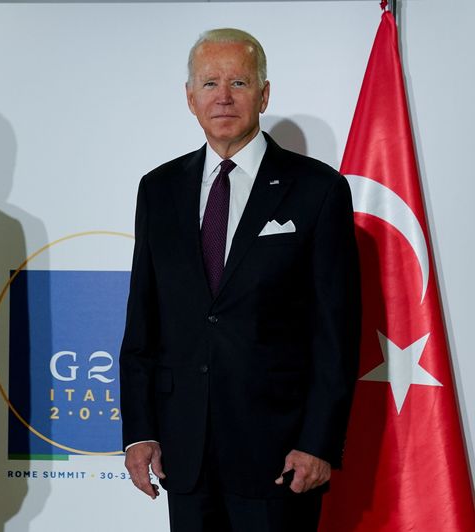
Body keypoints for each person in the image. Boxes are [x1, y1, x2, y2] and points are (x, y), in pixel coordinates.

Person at [119, 28, 361, 531]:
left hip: (279, 457)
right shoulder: (158, 189)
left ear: (264, 94)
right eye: (209, 83)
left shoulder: (318, 189)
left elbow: (336, 332)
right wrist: (140, 431)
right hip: (184, 453)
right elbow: (143, 321)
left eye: (239, 82)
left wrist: (317, 442)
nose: (223, 97)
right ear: (190, 98)